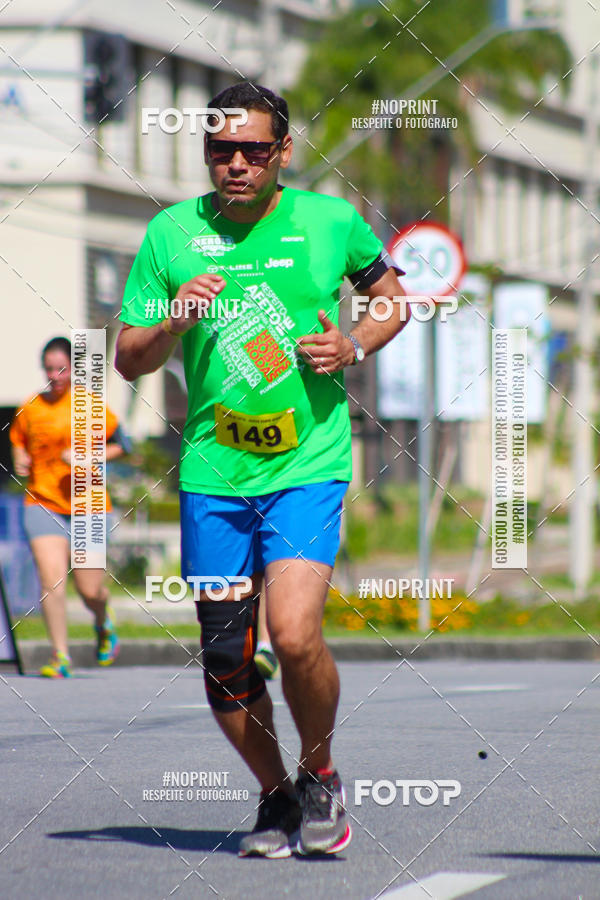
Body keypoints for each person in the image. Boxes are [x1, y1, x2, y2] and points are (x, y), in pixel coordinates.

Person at [115, 81, 410, 858]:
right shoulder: (171, 234)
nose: (236, 163)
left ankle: (321, 776)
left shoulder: (328, 221)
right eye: (221, 150)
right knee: (224, 658)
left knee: (293, 631)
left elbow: (392, 300)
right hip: (215, 472)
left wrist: (352, 345)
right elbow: (128, 358)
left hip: (307, 462)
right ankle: (276, 798)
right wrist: (175, 316)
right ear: (206, 151)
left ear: (282, 152)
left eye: (253, 150)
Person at [10, 336, 124, 678]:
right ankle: (60, 656)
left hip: (88, 505)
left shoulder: (90, 406)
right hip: (42, 502)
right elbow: (18, 444)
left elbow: (120, 445)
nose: (54, 376)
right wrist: (20, 460)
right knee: (52, 582)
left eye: (60, 369)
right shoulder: (30, 408)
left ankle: (103, 621)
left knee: (89, 589)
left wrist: (89, 456)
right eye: (48, 369)